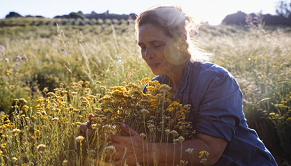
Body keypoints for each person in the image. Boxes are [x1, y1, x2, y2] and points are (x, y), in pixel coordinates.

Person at [78, 5, 278, 166]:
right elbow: (135, 139)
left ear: (182, 41)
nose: (147, 55)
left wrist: (144, 151)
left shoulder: (216, 81)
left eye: (157, 45)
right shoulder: (152, 90)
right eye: (143, 47)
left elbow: (208, 153)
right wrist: (98, 133)